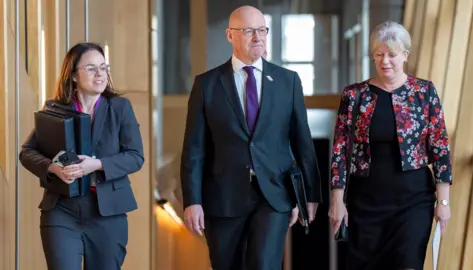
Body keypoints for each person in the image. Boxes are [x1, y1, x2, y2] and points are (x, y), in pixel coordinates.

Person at [180, 5, 321, 270]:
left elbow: (302, 141)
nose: (257, 37)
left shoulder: (287, 81)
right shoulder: (206, 84)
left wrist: (309, 195)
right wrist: (192, 201)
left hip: (274, 193)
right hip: (223, 196)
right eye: (248, 31)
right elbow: (194, 149)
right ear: (229, 35)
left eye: (261, 30)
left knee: (264, 264)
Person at [328, 21, 452, 270]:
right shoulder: (355, 96)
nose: (385, 61)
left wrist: (443, 202)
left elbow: (440, 148)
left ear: (405, 55)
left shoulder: (424, 92)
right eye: (379, 54)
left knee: (408, 263)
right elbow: (340, 150)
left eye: (392, 55)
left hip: (413, 202)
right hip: (365, 203)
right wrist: (337, 200)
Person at [19, 42, 144, 270]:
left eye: (103, 67)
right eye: (91, 68)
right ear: (73, 76)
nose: (100, 74)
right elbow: (27, 152)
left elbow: (135, 156)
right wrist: (52, 168)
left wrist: (96, 165)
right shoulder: (55, 109)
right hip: (61, 210)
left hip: (107, 213)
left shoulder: (120, 107)